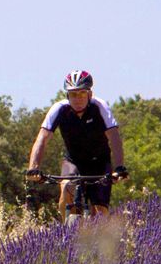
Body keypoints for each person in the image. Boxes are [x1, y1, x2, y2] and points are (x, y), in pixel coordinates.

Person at [25, 69, 126, 218]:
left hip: (99, 162)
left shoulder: (99, 107)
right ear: (67, 95)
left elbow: (114, 137)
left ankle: (99, 239)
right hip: (73, 161)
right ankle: (67, 232)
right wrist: (33, 168)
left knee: (100, 211)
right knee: (67, 187)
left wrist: (119, 167)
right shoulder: (59, 109)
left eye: (82, 94)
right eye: (73, 94)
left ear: (89, 94)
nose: (77, 99)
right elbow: (42, 139)